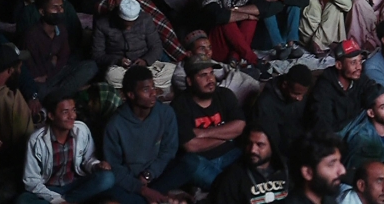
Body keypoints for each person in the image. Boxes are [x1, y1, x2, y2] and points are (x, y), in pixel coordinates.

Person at [103, 66, 189, 204]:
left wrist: (149, 174)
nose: (153, 93)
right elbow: (115, 167)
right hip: (131, 181)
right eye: (145, 90)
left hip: (158, 175)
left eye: (153, 87)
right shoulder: (115, 125)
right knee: (108, 186)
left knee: (190, 163)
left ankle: (152, 198)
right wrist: (141, 188)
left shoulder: (166, 113)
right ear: (131, 95)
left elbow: (169, 151)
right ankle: (155, 198)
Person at [19, 92, 116, 204]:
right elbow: (31, 181)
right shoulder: (36, 140)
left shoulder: (81, 130)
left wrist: (96, 165)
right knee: (23, 200)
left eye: (73, 110)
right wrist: (57, 200)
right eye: (65, 112)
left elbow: (88, 159)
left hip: (75, 185)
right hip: (49, 189)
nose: (72, 116)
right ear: (51, 115)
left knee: (107, 178)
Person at [173, 55, 245, 189]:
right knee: (188, 163)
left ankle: (226, 187)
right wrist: (227, 137)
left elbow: (240, 126)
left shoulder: (224, 95)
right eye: (203, 75)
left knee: (253, 151)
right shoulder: (180, 105)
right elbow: (191, 146)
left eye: (212, 73)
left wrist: (202, 133)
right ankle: (230, 188)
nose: (210, 79)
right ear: (189, 81)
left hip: (230, 155)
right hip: (203, 161)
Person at [209, 125, 289, 204]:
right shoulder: (232, 178)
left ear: (272, 146)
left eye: (260, 145)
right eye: (249, 143)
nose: (252, 150)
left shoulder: (289, 170)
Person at [249, 63, 313, 157]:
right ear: (285, 85)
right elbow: (272, 142)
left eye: (303, 94)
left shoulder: (297, 94)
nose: (300, 98)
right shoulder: (265, 104)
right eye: (296, 94)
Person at [285, 133, 348, 204]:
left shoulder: (330, 201)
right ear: (307, 172)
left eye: (339, 161)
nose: (342, 171)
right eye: (331, 164)